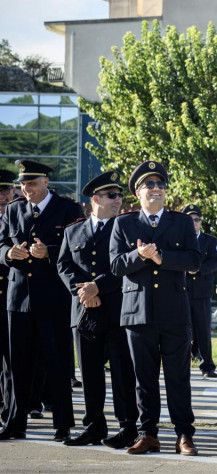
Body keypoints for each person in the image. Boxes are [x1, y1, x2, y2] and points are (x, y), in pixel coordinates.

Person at [109, 160, 201, 455]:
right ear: (138, 192)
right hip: (138, 313)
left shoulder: (182, 222)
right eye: (150, 184)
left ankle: (184, 434)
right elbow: (114, 265)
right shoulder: (123, 223)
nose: (157, 189)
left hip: (174, 312)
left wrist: (163, 258)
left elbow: (194, 261)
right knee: (144, 379)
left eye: (161, 184)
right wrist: (138, 254)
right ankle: (148, 434)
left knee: (178, 378)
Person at [0, 160, 82, 442]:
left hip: (53, 299)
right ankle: (14, 422)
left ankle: (62, 424)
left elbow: (78, 249)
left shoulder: (68, 209)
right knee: (16, 365)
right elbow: (0, 244)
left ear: (46, 182)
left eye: (32, 183)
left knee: (57, 364)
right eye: (23, 184)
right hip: (18, 298)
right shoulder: (13, 209)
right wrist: (10, 254)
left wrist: (49, 251)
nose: (26, 189)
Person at [56, 171, 139, 449]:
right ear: (96, 199)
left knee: (122, 372)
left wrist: (97, 288)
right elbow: (63, 265)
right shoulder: (73, 230)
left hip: (116, 309)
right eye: (112, 196)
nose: (118, 201)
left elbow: (127, 265)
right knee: (89, 373)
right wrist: (82, 291)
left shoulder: (127, 227)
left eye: (120, 196)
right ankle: (93, 426)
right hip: (83, 312)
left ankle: (128, 426)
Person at [182, 204, 217, 379]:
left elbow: (216, 262)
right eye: (190, 219)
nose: (194, 222)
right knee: (182, 331)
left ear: (201, 222)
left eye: (196, 219)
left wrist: (199, 269)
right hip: (182, 291)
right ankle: (182, 364)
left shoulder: (210, 241)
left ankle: (207, 366)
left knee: (203, 330)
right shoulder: (179, 240)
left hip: (202, 292)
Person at [0, 168, 16, 432]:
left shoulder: (19, 216)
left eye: (5, 190)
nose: (2, 197)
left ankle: (8, 410)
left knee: (9, 359)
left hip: (12, 297)